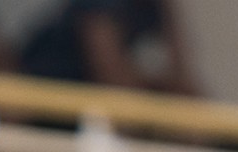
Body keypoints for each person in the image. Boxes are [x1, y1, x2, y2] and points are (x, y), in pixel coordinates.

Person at [17, 0, 196, 95]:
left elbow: (181, 77)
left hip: (94, 110)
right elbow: (115, 81)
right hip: (48, 107)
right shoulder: (98, 7)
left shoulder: (156, 7)